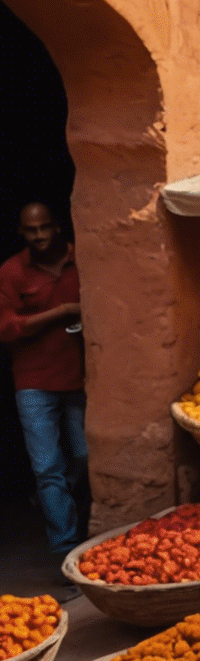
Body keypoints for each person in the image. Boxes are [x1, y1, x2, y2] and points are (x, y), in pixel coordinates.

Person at [1, 203, 88, 556]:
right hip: (33, 383)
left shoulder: (83, 258)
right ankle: (66, 549)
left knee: (85, 458)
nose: (39, 236)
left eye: (44, 228)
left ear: (58, 227)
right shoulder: (11, 271)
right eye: (31, 230)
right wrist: (63, 312)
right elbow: (6, 328)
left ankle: (55, 501)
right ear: (21, 233)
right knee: (47, 467)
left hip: (79, 379)